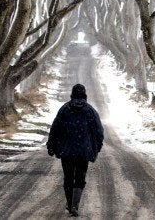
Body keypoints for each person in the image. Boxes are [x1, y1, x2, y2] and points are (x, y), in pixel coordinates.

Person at [47, 83, 104, 217]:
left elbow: (55, 128)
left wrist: (51, 144)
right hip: (84, 151)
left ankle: (69, 202)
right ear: (84, 95)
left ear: (72, 94)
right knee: (80, 177)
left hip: (66, 151)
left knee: (68, 177)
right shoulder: (90, 111)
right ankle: (74, 205)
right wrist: (98, 145)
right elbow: (99, 131)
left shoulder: (65, 109)